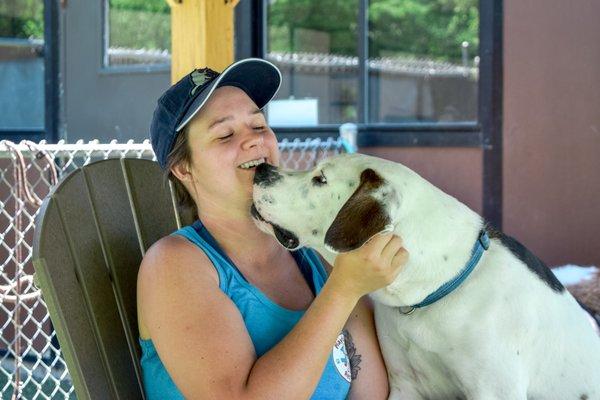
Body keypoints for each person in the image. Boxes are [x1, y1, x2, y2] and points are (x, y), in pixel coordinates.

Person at [137, 58, 409, 399]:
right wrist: (343, 290)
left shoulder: (316, 259)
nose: (253, 141)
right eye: (225, 134)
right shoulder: (174, 266)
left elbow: (370, 393)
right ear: (183, 169)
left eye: (259, 125)